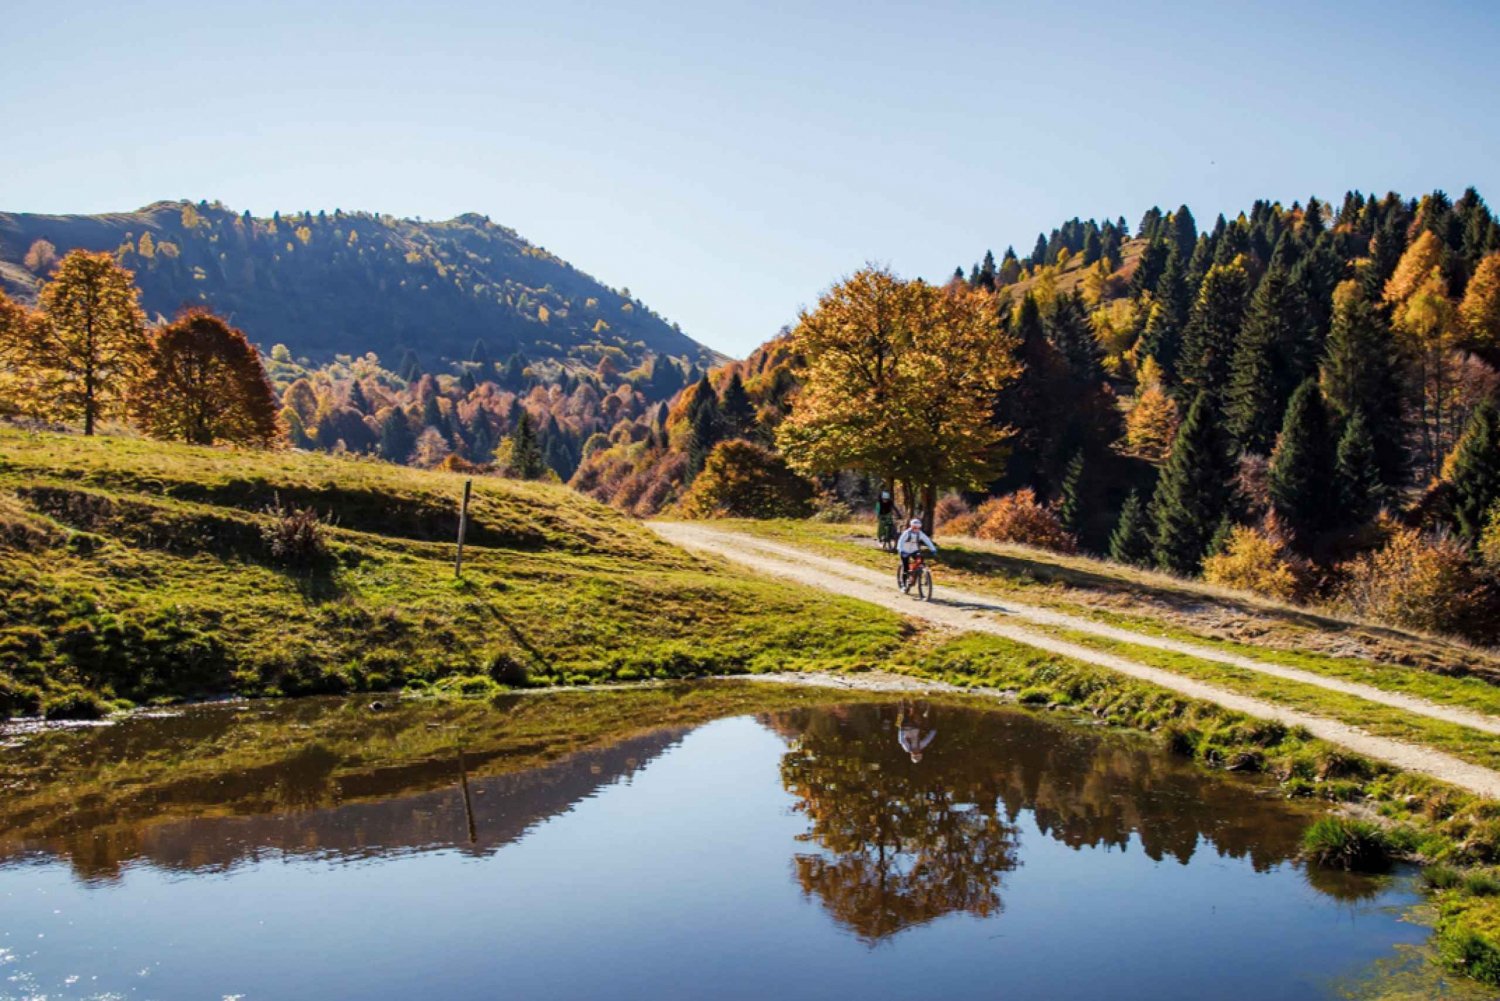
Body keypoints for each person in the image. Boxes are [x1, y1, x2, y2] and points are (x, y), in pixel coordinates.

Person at [896, 517, 937, 584]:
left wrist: (933, 549)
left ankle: (923, 574)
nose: (916, 529)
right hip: (904, 551)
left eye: (918, 528)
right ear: (911, 526)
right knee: (906, 567)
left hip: (914, 550)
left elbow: (927, 540)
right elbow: (901, 541)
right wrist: (900, 550)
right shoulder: (906, 533)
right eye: (915, 527)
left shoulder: (920, 533)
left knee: (920, 560)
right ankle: (904, 583)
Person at [897, 699, 936, 764]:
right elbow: (928, 739)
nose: (916, 752)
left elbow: (901, 740)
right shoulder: (920, 746)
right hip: (912, 727)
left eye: (916, 754)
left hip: (909, 727)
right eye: (918, 753)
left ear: (912, 755)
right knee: (919, 717)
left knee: (901, 715)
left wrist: (901, 729)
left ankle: (901, 701)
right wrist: (933, 732)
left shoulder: (908, 748)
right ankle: (912, 703)